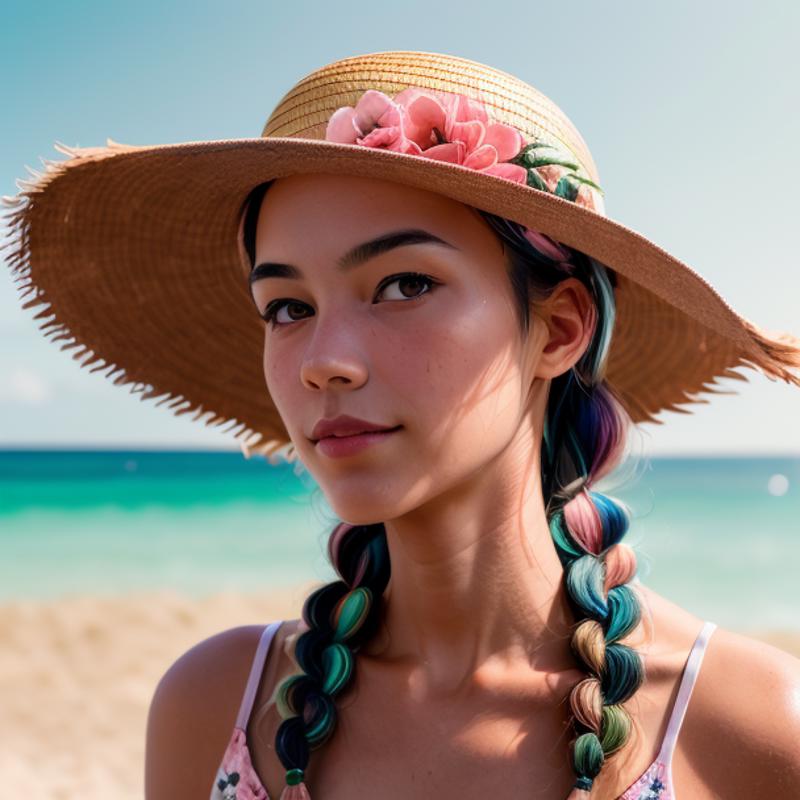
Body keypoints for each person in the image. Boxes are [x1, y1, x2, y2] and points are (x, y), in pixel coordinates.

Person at [4, 51, 800, 800]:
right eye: (287, 306)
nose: (325, 361)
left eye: (404, 283)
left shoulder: (751, 727)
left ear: (558, 330)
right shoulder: (215, 707)